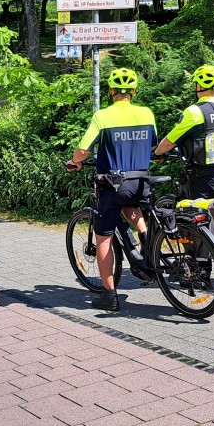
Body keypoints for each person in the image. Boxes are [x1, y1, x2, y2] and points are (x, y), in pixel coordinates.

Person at [65, 68, 157, 311]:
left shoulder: (103, 116)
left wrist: (75, 161)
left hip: (113, 185)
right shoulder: (147, 113)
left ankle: (109, 296)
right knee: (131, 206)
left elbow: (83, 150)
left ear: (110, 91)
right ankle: (148, 248)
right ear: (134, 91)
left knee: (103, 236)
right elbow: (153, 147)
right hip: (141, 182)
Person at [154, 64, 214, 254]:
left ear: (199, 85)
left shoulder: (195, 112)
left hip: (203, 174)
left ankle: (200, 269)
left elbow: (170, 140)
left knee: (194, 218)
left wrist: (158, 152)